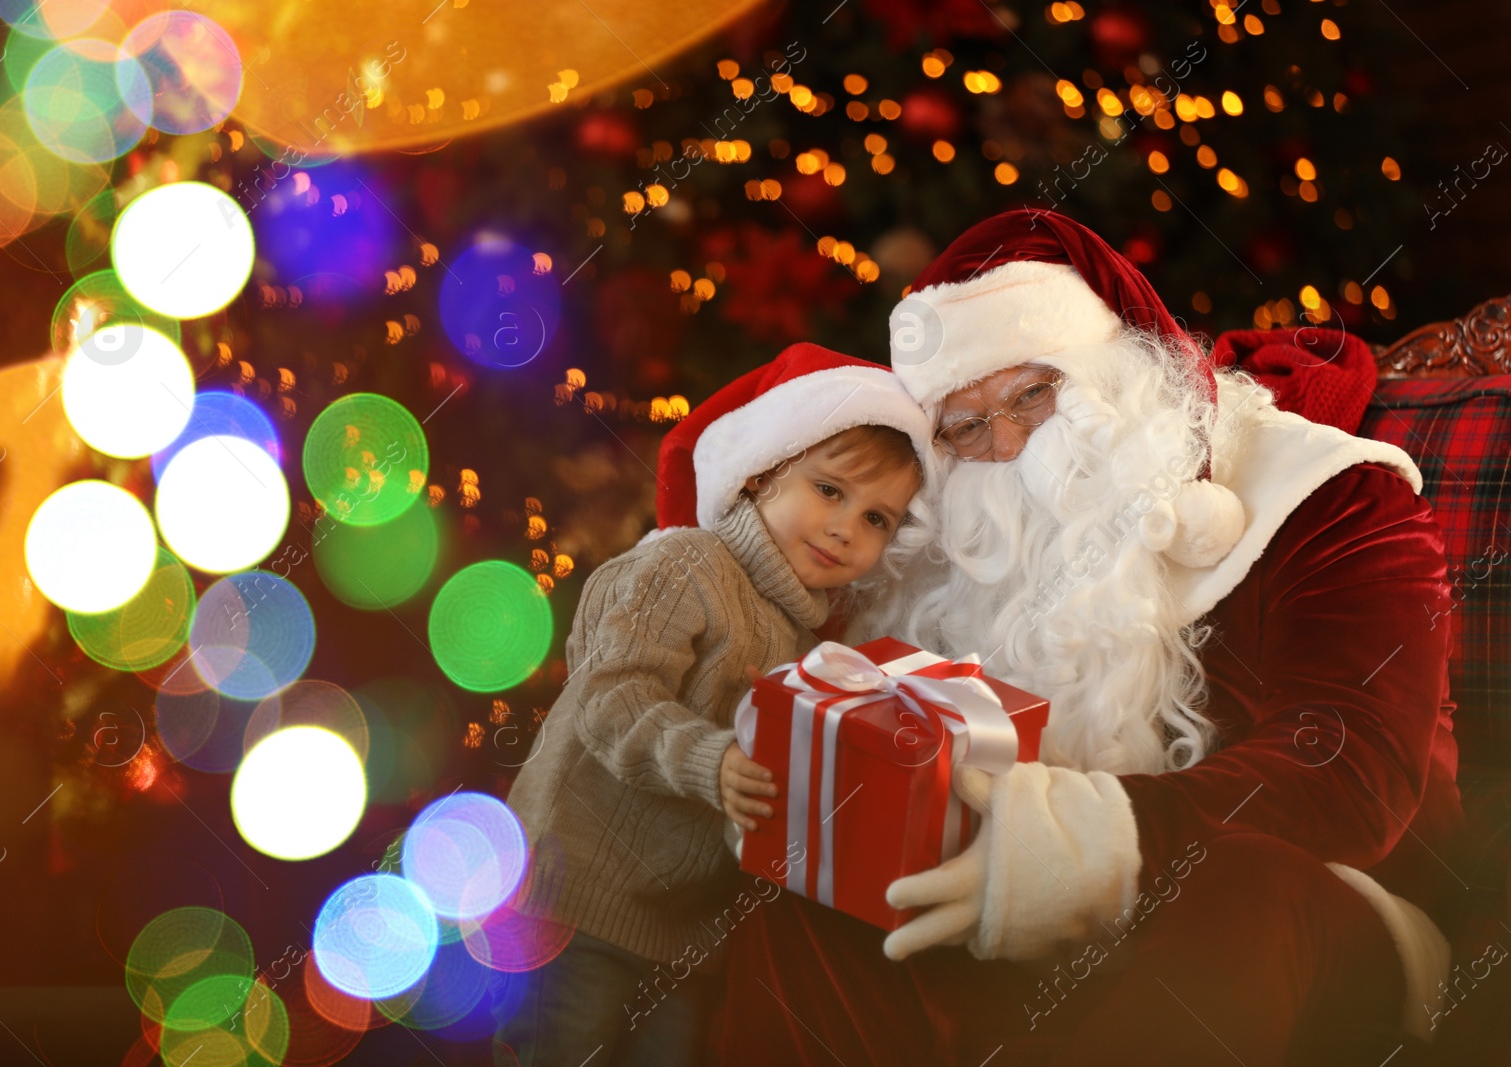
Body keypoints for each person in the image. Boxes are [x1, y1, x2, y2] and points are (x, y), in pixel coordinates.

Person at [716, 211, 1464, 1066]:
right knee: (820, 887)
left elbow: (1350, 774)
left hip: (1313, 906)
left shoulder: (1329, 492)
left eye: (1033, 395)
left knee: (1243, 882)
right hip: (1013, 922)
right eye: (966, 428)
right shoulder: (946, 554)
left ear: (1117, 371)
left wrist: (1076, 842)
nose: (1010, 448)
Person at [494, 342, 937, 1066]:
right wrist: (713, 757)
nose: (845, 528)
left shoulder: (814, 642)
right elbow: (613, 695)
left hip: (687, 934)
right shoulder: (685, 565)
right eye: (829, 490)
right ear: (762, 474)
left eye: (878, 519)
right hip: (579, 902)